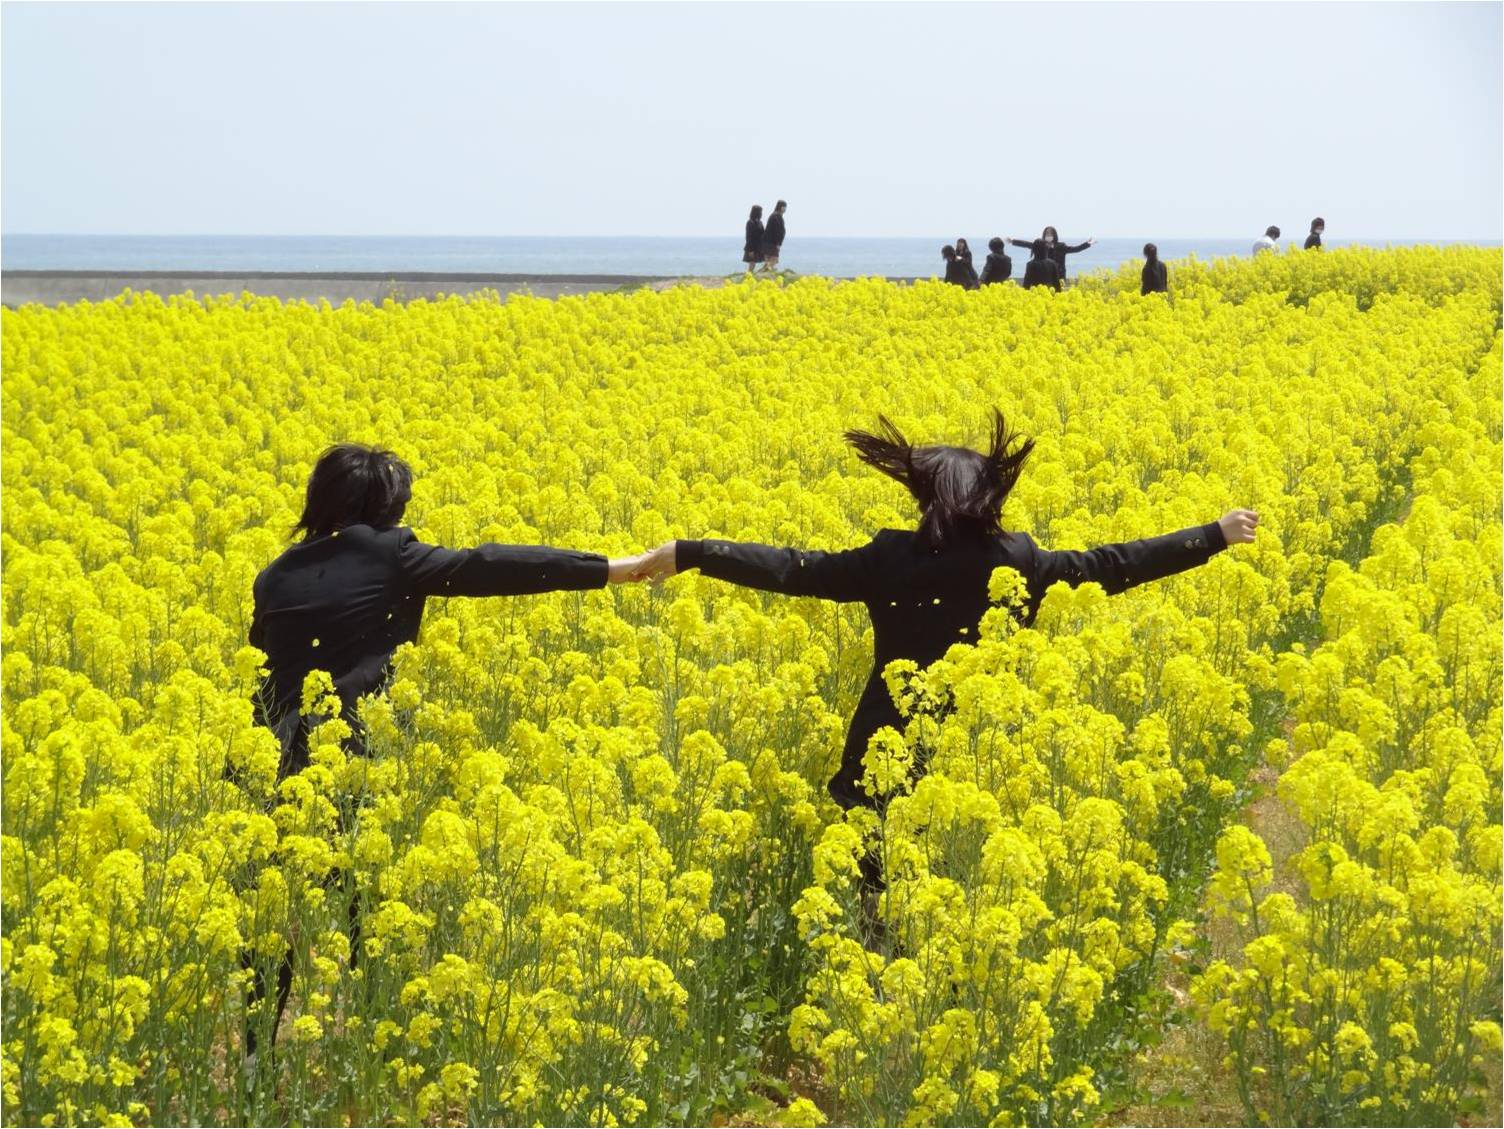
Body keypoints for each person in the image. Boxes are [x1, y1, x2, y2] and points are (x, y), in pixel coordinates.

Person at [630, 412, 1257, 820]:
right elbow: (1115, 564)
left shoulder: (888, 558)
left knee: (874, 878)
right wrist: (1213, 534)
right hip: (988, 745)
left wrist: (691, 553)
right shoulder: (1020, 559)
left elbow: (793, 569)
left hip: (888, 740)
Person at [240, 442, 645, 1066]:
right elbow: (489, 567)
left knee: (270, 925)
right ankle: (374, 1064)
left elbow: (266, 658)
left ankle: (252, 1063)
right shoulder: (389, 551)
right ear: (381, 509)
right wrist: (610, 569)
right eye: (399, 507)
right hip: (349, 758)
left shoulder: (275, 572)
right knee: (369, 914)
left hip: (269, 763)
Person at [1008, 226, 1094, 281]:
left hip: (1059, 275)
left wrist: (1087, 244)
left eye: (1050, 233)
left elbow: (1076, 249)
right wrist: (1013, 241)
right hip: (1043, 275)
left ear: (1054, 235)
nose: (1048, 235)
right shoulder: (1040, 245)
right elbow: (1026, 244)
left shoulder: (1061, 246)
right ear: (1044, 235)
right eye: (1047, 233)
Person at [760, 200, 787, 272]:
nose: (785, 209)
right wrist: (778, 243)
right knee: (775, 259)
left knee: (768, 260)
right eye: (784, 207)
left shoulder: (774, 215)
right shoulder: (777, 216)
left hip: (767, 242)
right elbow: (778, 231)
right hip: (771, 242)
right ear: (781, 207)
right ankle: (764, 271)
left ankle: (764, 272)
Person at [743, 205, 765, 272]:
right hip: (752, 246)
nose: (761, 214)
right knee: (752, 263)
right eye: (760, 212)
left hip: (758, 246)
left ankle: (753, 274)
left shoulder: (760, 222)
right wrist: (750, 250)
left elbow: (763, 233)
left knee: (755, 263)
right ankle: (749, 275)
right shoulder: (750, 222)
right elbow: (748, 237)